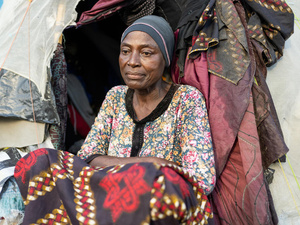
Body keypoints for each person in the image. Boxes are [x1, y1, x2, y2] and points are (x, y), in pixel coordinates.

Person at [14, 15, 215, 225]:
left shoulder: (186, 99)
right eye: (126, 51)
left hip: (160, 199)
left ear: (165, 58)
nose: (132, 62)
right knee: (40, 160)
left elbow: (201, 178)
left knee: (163, 181)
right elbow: (87, 156)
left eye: (146, 53)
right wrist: (151, 163)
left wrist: (150, 173)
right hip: (110, 195)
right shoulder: (116, 96)